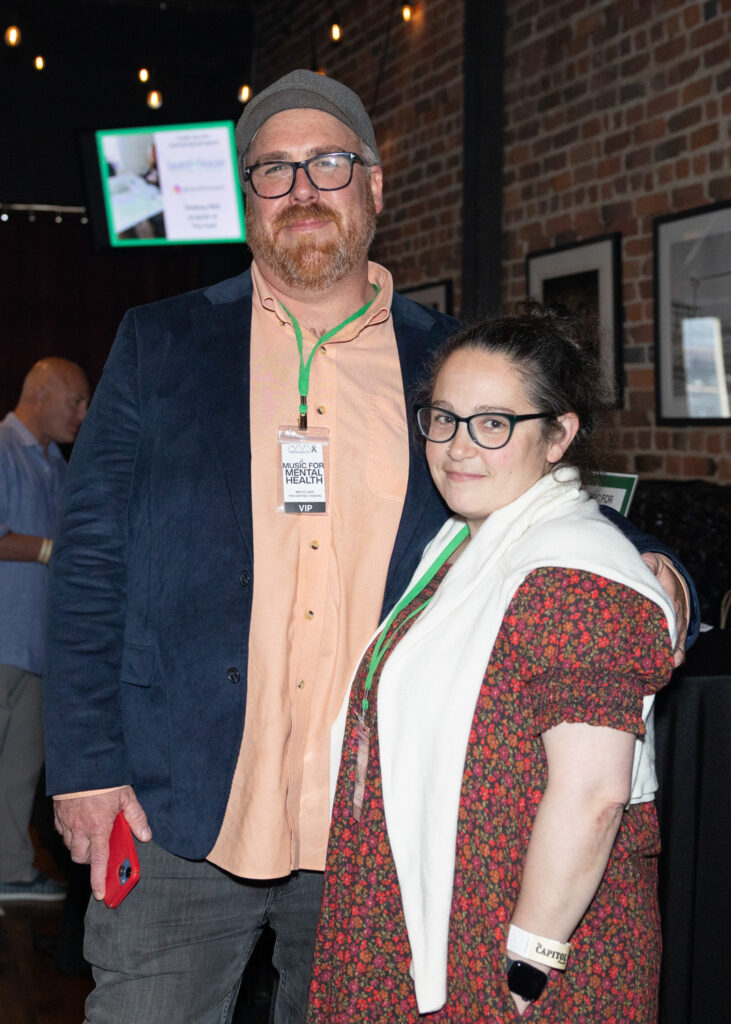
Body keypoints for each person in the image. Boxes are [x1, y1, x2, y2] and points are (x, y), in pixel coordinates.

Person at [43, 71, 693, 1024]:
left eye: (329, 163)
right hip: (176, 808)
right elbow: (88, 566)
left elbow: (536, 476)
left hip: (379, 821)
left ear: (375, 186)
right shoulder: (161, 343)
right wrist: (85, 770)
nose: (302, 188)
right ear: (248, 198)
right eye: (274, 170)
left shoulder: (446, 355)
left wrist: (649, 563)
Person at [308, 308, 677, 1023]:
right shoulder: (460, 547)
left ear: (558, 436)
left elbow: (594, 794)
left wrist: (529, 960)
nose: (457, 447)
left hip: (519, 952)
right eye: (444, 419)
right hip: (440, 921)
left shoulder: (575, 578)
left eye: (493, 424)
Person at [0, 357, 89, 902]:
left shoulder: (57, 463)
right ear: (40, 394)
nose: (83, 414)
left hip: (38, 649)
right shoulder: (3, 447)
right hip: (4, 642)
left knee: (20, 772)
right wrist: (54, 551)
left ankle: (10, 871)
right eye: (76, 401)